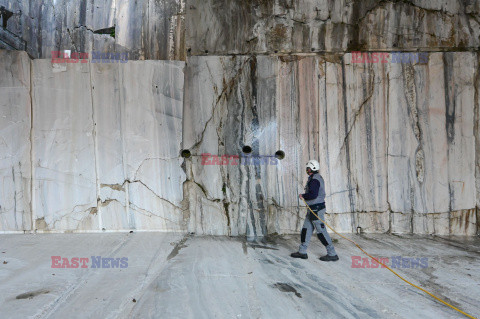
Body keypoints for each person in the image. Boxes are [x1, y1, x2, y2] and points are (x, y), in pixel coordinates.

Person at [290, 160, 339, 261]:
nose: (306, 170)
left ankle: (332, 253)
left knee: (321, 232)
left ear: (310, 169)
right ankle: (302, 252)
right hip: (312, 209)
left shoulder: (315, 180)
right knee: (306, 230)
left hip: (316, 209)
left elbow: (313, 195)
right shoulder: (314, 178)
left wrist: (303, 195)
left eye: (307, 168)